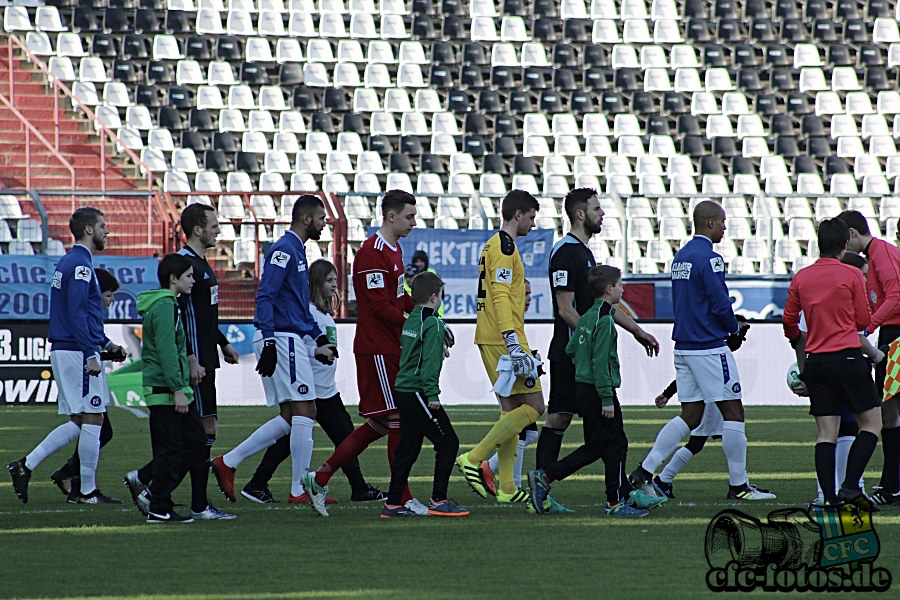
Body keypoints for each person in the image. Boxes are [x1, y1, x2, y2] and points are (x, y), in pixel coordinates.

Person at [628, 201, 775, 501]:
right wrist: (733, 329)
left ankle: (646, 469)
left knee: (690, 415)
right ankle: (739, 485)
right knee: (733, 412)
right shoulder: (710, 258)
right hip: (708, 348)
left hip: (683, 347)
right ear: (709, 223)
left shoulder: (681, 257)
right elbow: (720, 302)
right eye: (722, 222)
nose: (724, 227)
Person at [302, 190, 435, 517]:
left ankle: (319, 477)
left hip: (390, 346)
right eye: (409, 216)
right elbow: (376, 306)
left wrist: (427, 317)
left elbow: (398, 296)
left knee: (378, 425)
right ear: (390, 216)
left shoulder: (394, 250)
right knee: (398, 420)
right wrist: (412, 324)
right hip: (376, 348)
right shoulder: (370, 254)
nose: (413, 223)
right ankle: (399, 498)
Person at [210, 195, 337, 509]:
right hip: (281, 338)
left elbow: (295, 306)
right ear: (306, 219)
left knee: (292, 415)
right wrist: (268, 341)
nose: (324, 224)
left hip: (287, 335)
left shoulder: (297, 251)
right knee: (307, 412)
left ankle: (229, 462)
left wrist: (319, 337)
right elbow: (265, 296)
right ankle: (298, 488)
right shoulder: (284, 250)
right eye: (321, 218)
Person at [535, 188, 660, 481]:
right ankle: (545, 482)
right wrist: (588, 344)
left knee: (584, 425)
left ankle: (548, 483)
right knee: (567, 419)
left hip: (581, 352)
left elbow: (601, 308)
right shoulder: (565, 252)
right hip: (572, 351)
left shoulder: (584, 253)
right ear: (580, 214)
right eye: (596, 209)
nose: (602, 214)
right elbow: (566, 309)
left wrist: (637, 331)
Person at [123, 203, 240, 511]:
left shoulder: (201, 265)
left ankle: (147, 479)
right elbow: (180, 319)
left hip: (206, 357)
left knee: (207, 430)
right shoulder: (184, 266)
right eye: (214, 226)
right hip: (195, 363)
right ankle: (189, 500)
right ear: (198, 229)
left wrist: (223, 343)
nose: (219, 231)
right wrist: (190, 358)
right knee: (199, 434)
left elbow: (203, 317)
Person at [240, 259, 385, 504]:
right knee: (345, 436)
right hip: (315, 389)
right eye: (328, 280)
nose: (333, 285)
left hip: (324, 387)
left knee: (294, 438)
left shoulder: (321, 313)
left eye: (334, 280)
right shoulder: (308, 313)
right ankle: (358, 488)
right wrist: (316, 354)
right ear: (316, 283)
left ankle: (257, 483)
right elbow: (296, 348)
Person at [9, 208, 124, 504]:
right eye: (102, 225)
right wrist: (91, 353)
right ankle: (86, 491)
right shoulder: (82, 266)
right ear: (88, 230)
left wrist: (106, 345)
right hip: (75, 351)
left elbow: (82, 314)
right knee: (95, 418)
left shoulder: (69, 262)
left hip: (68, 348)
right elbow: (76, 314)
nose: (106, 231)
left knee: (80, 420)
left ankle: (26, 465)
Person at [528, 266, 665, 517]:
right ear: (609, 289)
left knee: (596, 446)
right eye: (621, 285)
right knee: (617, 444)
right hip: (598, 390)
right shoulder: (605, 321)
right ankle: (614, 504)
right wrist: (606, 397)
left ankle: (546, 476)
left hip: (582, 388)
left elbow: (571, 348)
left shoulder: (588, 316)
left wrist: (584, 360)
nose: (623, 289)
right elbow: (601, 363)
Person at [783, 218, 883, 509]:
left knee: (826, 432)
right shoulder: (851, 275)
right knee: (871, 424)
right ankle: (851, 486)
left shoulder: (802, 276)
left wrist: (797, 340)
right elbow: (864, 321)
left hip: (816, 361)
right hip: (848, 357)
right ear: (843, 245)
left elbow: (789, 320)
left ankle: (828, 497)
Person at [456, 190, 544, 504]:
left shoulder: (493, 244)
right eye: (532, 217)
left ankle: (506, 487)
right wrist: (512, 340)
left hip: (492, 334)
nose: (534, 224)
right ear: (517, 214)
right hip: (503, 337)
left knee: (510, 411)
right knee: (535, 407)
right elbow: (501, 294)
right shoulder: (505, 247)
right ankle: (474, 458)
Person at [139, 254, 236, 522]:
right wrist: (178, 389)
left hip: (173, 391)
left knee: (195, 442)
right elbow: (168, 352)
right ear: (173, 279)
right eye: (189, 276)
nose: (194, 281)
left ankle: (176, 501)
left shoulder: (169, 305)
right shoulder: (165, 307)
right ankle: (157, 505)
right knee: (172, 449)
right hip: (166, 393)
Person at [381, 272, 469, 518]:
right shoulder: (434, 323)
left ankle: (393, 503)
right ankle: (439, 500)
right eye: (440, 296)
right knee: (448, 442)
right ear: (433, 297)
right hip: (418, 391)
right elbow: (429, 363)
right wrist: (433, 394)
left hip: (404, 390)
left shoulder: (411, 320)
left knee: (408, 448)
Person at [837, 210, 900, 506]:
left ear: (851, 234)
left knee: (887, 411)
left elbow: (896, 295)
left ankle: (892, 487)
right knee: (889, 412)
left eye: (843, 239)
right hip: (891, 334)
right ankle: (892, 484)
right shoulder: (879, 253)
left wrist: (869, 324)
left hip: (895, 337)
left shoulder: (881, 253)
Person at [651, 315, 750, 499]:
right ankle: (740, 484)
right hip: (713, 398)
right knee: (722, 434)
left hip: (711, 397)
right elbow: (732, 346)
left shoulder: (704, 339)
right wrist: (667, 393)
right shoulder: (712, 347)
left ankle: (662, 480)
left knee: (699, 442)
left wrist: (667, 393)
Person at [49, 268, 123, 500]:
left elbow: (95, 333)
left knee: (96, 427)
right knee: (92, 425)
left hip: (79, 358)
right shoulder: (84, 307)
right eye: (109, 294)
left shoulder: (90, 311)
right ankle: (33, 465)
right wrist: (94, 354)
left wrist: (109, 346)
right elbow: (85, 332)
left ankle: (72, 476)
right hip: (79, 360)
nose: (112, 300)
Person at [481, 280, 539, 497]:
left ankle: (491, 468)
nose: (529, 299)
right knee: (524, 430)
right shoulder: (506, 321)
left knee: (528, 432)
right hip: (505, 373)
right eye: (526, 294)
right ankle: (507, 482)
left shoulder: (516, 320)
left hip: (507, 368)